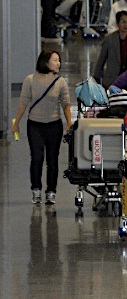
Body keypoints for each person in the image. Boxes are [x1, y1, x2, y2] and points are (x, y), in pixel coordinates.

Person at [11, 50, 71, 205]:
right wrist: (15, 123)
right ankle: (36, 190)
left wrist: (69, 123)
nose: (59, 63)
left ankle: (51, 191)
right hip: (35, 125)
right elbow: (23, 103)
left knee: (52, 160)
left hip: (54, 125)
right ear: (45, 62)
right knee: (37, 158)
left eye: (59, 60)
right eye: (55, 60)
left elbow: (65, 104)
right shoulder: (30, 80)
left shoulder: (60, 82)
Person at [93, 11, 127, 88]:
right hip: (112, 80)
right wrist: (96, 78)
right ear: (117, 24)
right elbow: (101, 60)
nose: (126, 24)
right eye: (123, 22)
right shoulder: (109, 39)